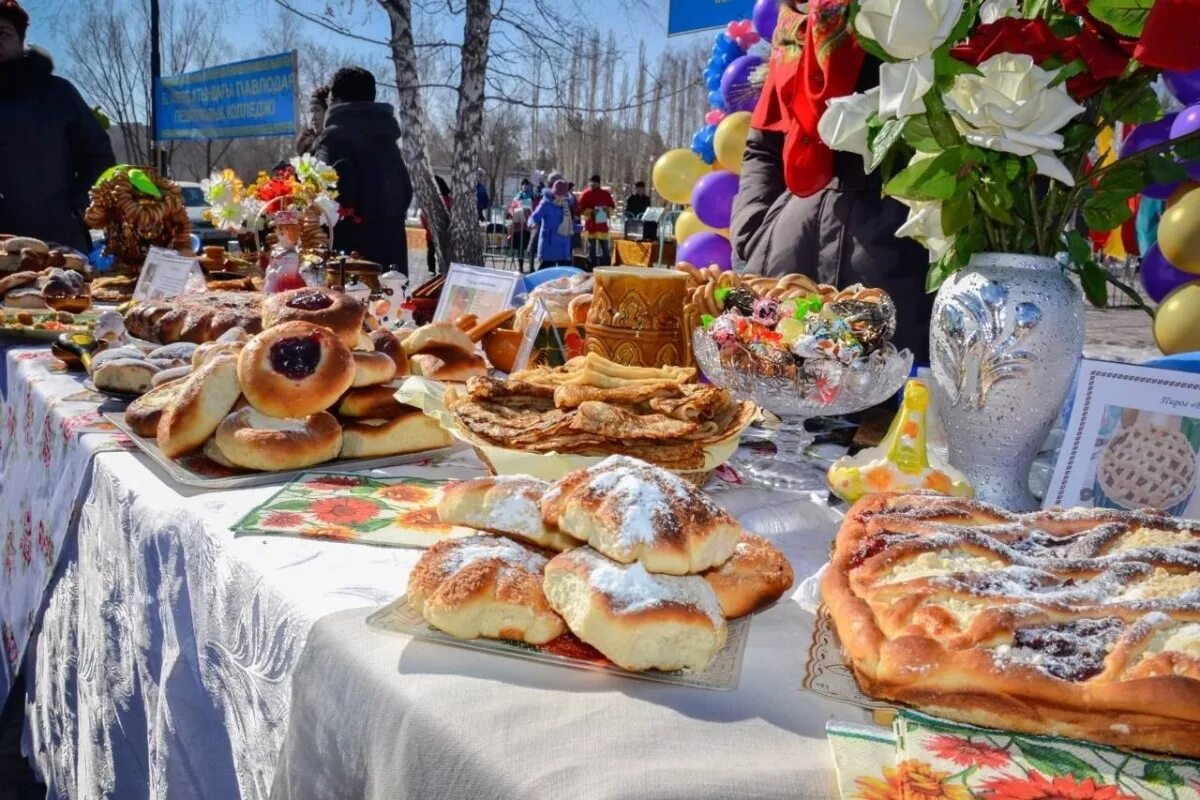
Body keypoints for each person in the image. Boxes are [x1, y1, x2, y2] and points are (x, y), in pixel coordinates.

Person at [729, 1, 932, 363]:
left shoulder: (931, 10)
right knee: (782, 404)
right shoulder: (796, 19)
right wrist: (753, 230)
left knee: (895, 409)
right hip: (788, 253)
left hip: (901, 255)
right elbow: (764, 145)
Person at [0, 0, 115, 253]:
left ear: (21, 41)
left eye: (3, 33)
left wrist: (77, 208)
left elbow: (98, 157)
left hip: (58, 244)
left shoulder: (58, 94)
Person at [313, 66, 413, 272]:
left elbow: (325, 202)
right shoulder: (388, 140)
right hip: (393, 260)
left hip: (351, 267)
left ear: (335, 99)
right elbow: (406, 193)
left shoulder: (334, 139)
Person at [529, 179, 576, 269]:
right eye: (559, 194)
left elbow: (567, 223)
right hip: (549, 243)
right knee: (545, 272)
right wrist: (532, 223)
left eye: (563, 195)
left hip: (563, 243)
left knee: (565, 273)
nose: (562, 197)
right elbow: (534, 217)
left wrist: (577, 227)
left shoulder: (565, 204)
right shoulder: (546, 204)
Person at [578, 174, 615, 268]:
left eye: (595, 182)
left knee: (605, 250)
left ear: (599, 183)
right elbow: (580, 208)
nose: (592, 184)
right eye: (591, 182)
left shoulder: (605, 194)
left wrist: (607, 210)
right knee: (592, 249)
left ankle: (606, 267)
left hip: (602, 226)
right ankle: (592, 267)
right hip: (591, 225)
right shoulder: (585, 194)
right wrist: (591, 211)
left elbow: (611, 206)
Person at [420, 174, 452, 275]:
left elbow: (423, 215)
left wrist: (427, 227)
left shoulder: (429, 200)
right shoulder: (448, 200)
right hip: (446, 232)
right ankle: (443, 269)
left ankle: (431, 269)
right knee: (444, 252)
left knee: (431, 251)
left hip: (432, 231)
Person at [509, 178, 536, 272]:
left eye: (526, 184)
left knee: (530, 246)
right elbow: (512, 208)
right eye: (523, 184)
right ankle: (520, 266)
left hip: (529, 226)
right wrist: (515, 211)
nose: (525, 186)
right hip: (519, 226)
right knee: (520, 247)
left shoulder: (533, 195)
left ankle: (531, 266)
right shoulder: (517, 196)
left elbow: (535, 207)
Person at [294, 85, 330, 155]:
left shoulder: (336, 140)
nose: (313, 117)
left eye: (317, 110)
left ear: (327, 112)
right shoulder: (304, 145)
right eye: (311, 111)